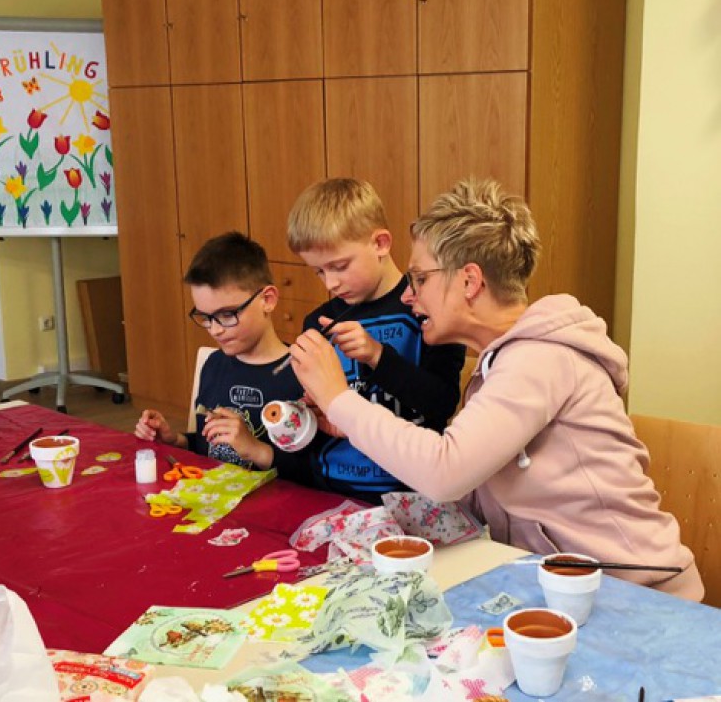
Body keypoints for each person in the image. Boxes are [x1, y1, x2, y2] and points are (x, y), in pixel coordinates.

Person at [288, 178, 704, 599]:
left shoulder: (539, 360)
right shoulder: (499, 364)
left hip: (639, 594)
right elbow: (471, 482)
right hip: (569, 587)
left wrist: (338, 399)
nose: (410, 297)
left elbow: (444, 471)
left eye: (420, 280)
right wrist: (352, 430)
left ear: (469, 281)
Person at [286, 178, 466, 503]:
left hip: (412, 494)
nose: (331, 283)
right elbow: (314, 418)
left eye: (339, 266)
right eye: (318, 272)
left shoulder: (427, 309)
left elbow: (441, 403)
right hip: (331, 491)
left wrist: (378, 356)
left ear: (381, 243)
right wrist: (304, 409)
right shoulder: (317, 322)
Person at [134, 232, 304, 474]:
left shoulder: (300, 371)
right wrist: (176, 440)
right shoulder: (214, 364)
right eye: (205, 317)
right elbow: (207, 448)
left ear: (267, 299)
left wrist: (255, 449)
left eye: (227, 315)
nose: (215, 329)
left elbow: (314, 474)